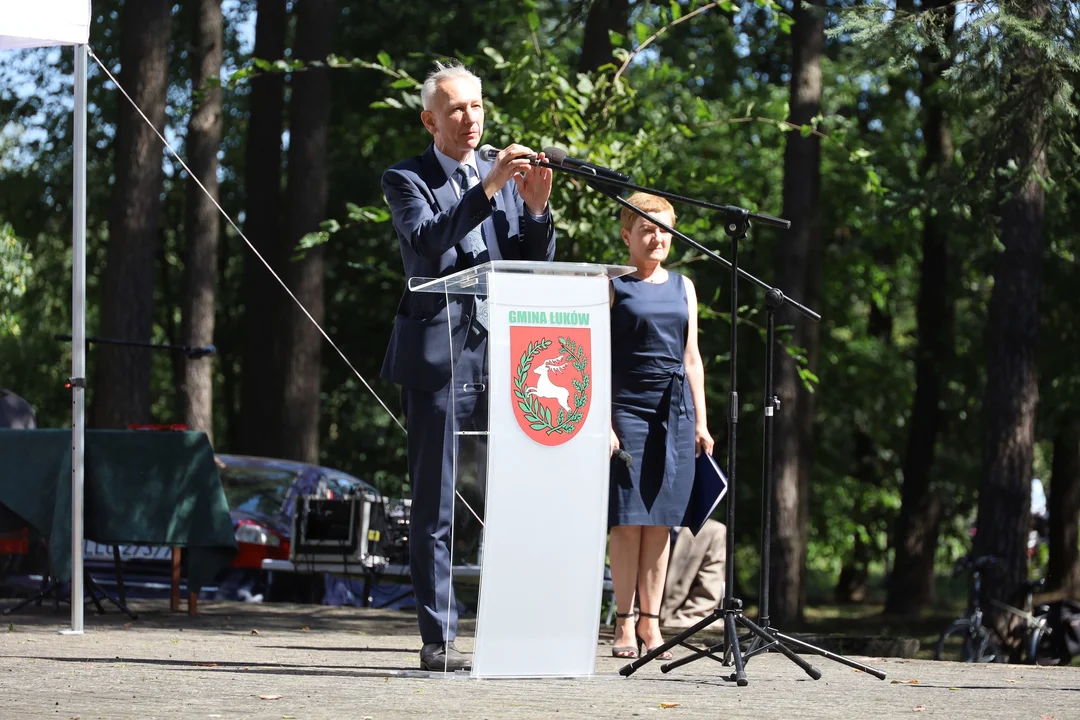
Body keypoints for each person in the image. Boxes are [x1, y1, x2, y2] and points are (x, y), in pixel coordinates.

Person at [380, 60, 555, 672]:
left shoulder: (502, 178)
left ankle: (518, 625)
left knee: (514, 490)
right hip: (438, 353)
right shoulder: (406, 177)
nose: (470, 117)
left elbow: (529, 260)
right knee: (438, 501)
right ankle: (440, 638)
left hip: (504, 352)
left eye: (477, 106)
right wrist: (487, 189)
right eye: (456, 108)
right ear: (430, 119)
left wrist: (534, 210)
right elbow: (429, 242)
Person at [608, 192, 713, 660]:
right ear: (627, 235)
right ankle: (623, 623)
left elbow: (692, 359)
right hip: (625, 410)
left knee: (662, 524)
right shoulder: (612, 285)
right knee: (628, 522)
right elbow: (597, 358)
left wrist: (702, 422)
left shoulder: (685, 286)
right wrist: (603, 423)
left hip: (674, 413)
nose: (658, 237)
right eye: (647, 229)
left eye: (665, 228)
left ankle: (653, 626)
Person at [660, 519, 727, 631]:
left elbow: (707, 595)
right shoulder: (635, 527)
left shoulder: (712, 531)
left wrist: (673, 623)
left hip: (684, 623)